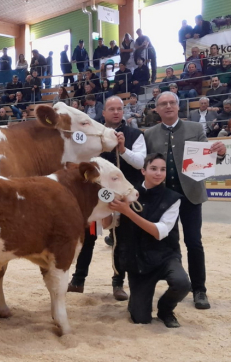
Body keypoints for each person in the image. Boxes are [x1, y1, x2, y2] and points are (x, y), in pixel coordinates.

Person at [144, 91, 227, 310]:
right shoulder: (149, 134)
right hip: (163, 199)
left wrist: (219, 153)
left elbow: (210, 156)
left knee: (194, 242)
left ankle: (199, 289)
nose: (168, 106)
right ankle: (176, 285)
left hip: (191, 194)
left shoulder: (195, 128)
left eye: (172, 102)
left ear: (178, 106)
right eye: (164, 104)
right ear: (157, 109)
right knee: (167, 243)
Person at [68, 96, 146, 299]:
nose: (116, 112)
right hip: (94, 197)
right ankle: (78, 280)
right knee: (88, 238)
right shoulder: (93, 135)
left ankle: (118, 283)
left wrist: (123, 150)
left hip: (123, 196)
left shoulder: (135, 134)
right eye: (111, 109)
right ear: (104, 113)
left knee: (122, 241)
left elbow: (140, 163)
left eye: (119, 108)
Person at [108, 153, 190, 327]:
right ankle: (138, 305)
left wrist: (127, 211)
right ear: (143, 171)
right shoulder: (128, 194)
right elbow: (110, 224)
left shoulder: (173, 198)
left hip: (165, 256)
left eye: (162, 170)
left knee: (182, 284)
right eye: (153, 169)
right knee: (140, 318)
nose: (158, 173)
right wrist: (106, 207)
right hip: (138, 261)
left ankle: (165, 309)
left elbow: (159, 232)